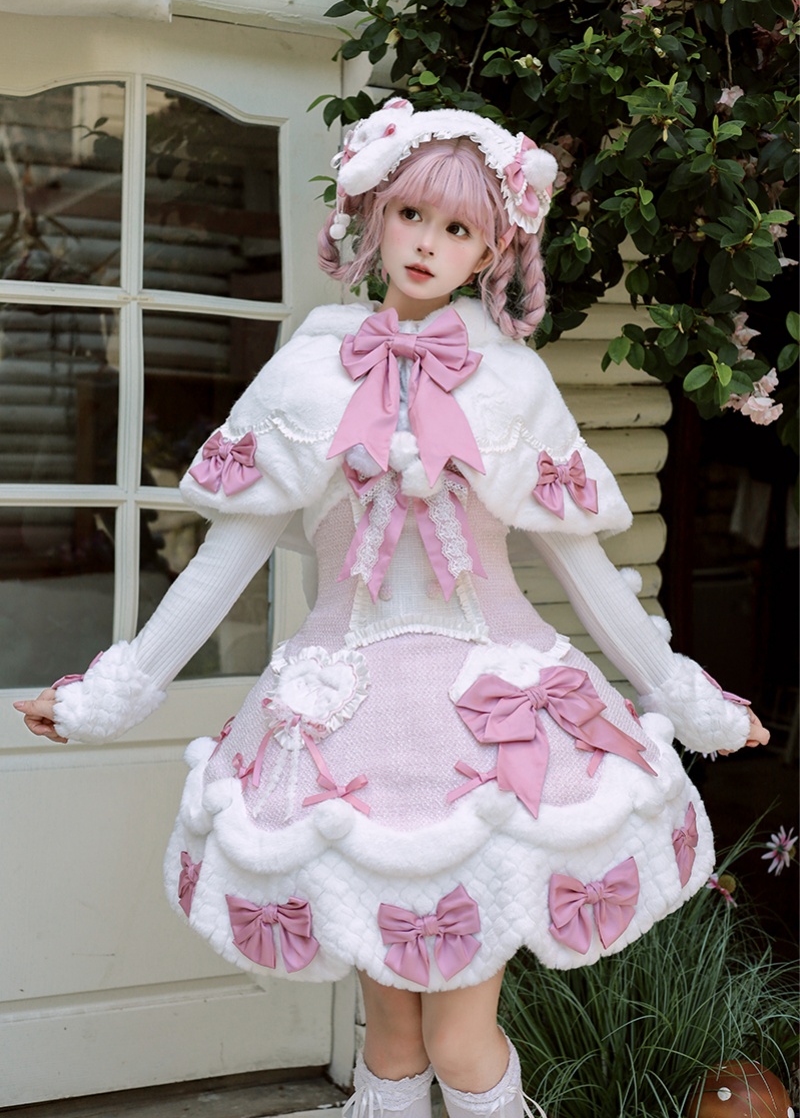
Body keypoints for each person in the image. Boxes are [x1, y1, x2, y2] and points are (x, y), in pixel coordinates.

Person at [15, 100, 769, 1118]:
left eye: (457, 228)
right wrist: (105, 698)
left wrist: (691, 703)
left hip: (490, 721)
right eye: (412, 214)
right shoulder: (304, 377)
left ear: (490, 251)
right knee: (397, 1038)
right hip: (347, 723)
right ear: (373, 214)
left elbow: (588, 573)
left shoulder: (510, 384)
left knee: (460, 1040)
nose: (426, 244)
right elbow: (220, 566)